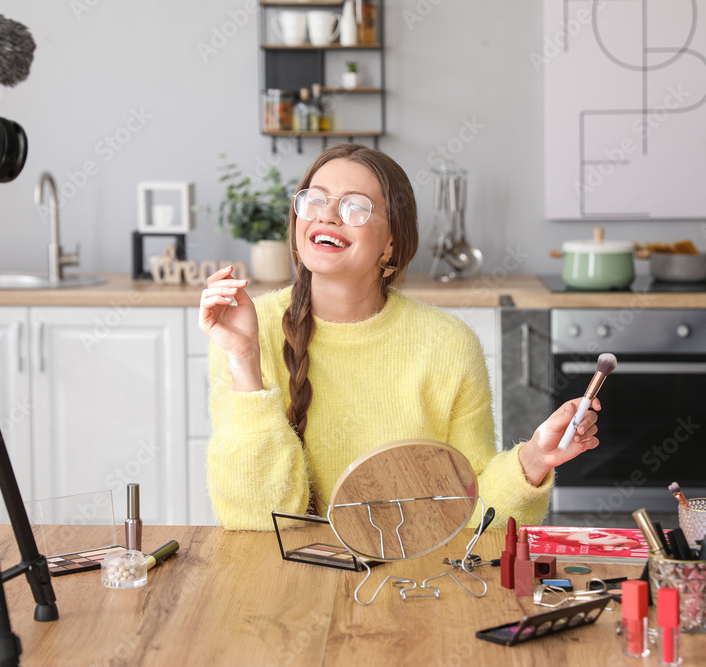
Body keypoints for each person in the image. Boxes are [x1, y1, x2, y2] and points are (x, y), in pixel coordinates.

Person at [200, 143, 600, 531]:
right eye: (315, 199)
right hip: (289, 582)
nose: (327, 216)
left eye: (355, 207)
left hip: (411, 577)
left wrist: (533, 459)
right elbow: (253, 518)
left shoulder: (448, 344)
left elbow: (474, 509)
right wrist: (245, 360)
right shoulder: (251, 328)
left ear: (392, 242)